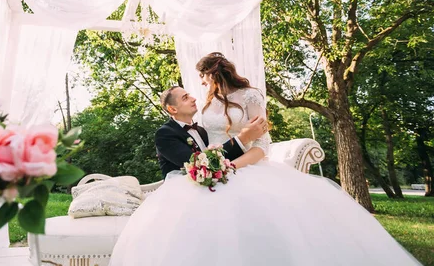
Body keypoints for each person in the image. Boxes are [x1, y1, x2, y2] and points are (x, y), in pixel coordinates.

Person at [109, 52, 422, 266]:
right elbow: (202, 154)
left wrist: (232, 164)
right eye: (190, 92)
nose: (199, 87)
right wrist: (229, 154)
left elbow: (262, 145)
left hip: (245, 167)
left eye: (202, 80)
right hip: (213, 169)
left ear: (212, 74)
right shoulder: (204, 108)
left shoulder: (251, 97)